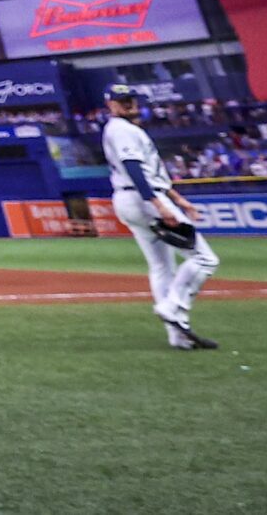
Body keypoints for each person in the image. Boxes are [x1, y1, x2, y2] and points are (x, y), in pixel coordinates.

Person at [101, 85, 220, 350]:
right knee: (205, 259)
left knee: (161, 267)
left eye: (131, 99)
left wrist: (179, 200)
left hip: (131, 199)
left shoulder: (125, 129)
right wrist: (159, 204)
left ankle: (177, 337)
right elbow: (134, 169)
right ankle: (173, 306)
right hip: (143, 199)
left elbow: (152, 174)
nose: (129, 104)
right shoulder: (122, 129)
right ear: (111, 105)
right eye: (122, 101)